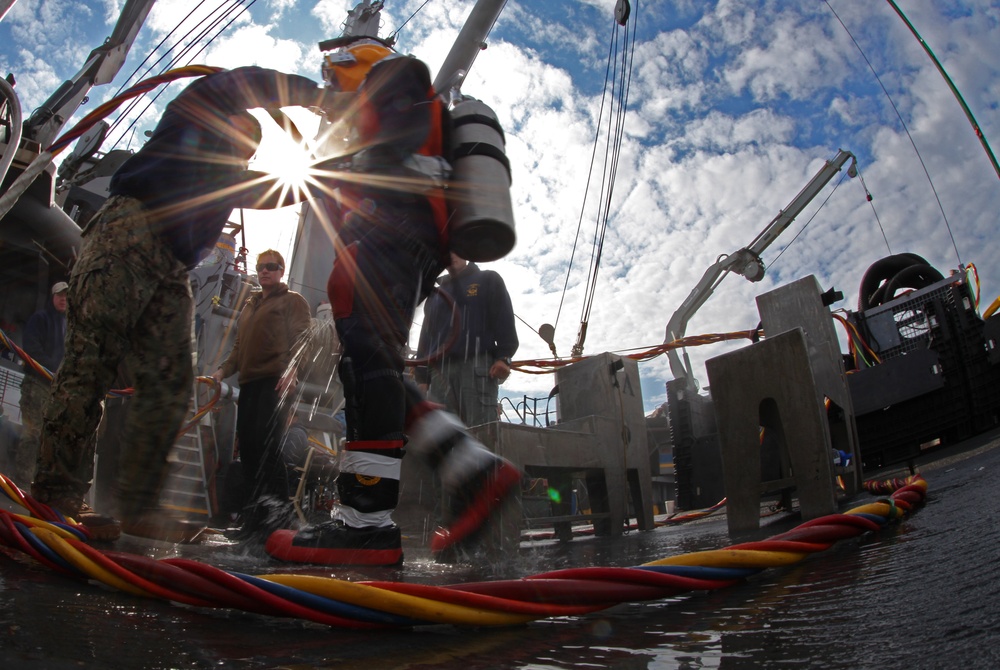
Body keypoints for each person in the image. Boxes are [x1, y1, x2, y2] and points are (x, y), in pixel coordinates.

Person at [30, 66, 331, 543]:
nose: (239, 154)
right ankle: (56, 495)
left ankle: (138, 506)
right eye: (236, 140)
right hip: (125, 234)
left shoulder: (227, 180)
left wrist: (332, 176)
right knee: (90, 368)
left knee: (171, 384)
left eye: (245, 152)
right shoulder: (191, 113)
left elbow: (272, 190)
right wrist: (319, 97)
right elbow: (240, 82)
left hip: (172, 268)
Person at [265, 52, 521, 566]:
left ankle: (365, 524)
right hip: (409, 237)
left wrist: (345, 172)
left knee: (368, 368)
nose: (330, 85)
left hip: (387, 228)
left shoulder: (393, 76)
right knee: (377, 362)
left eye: (334, 73)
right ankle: (472, 468)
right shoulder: (412, 101)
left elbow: (386, 154)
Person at [212, 249, 311, 541]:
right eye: (261, 266)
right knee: (250, 450)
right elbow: (239, 347)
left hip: (275, 382)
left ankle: (279, 515)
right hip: (250, 383)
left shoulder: (293, 301)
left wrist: (293, 370)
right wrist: (221, 371)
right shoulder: (249, 305)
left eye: (271, 266)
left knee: (267, 448)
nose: (264, 270)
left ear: (281, 271)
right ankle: (256, 517)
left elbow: (304, 339)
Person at [416, 253, 519, 426]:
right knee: (443, 437)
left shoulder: (488, 279)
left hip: (476, 367)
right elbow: (426, 336)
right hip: (439, 373)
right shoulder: (434, 295)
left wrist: (504, 357)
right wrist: (421, 378)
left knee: (482, 432)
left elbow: (504, 318)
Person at [15, 282, 69, 488]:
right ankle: (22, 482)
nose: (63, 299)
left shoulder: (68, 326)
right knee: (33, 433)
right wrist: (52, 369)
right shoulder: (40, 319)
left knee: (50, 437)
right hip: (36, 383)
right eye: (59, 295)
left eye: (66, 296)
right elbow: (32, 349)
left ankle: (37, 483)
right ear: (52, 297)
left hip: (55, 388)